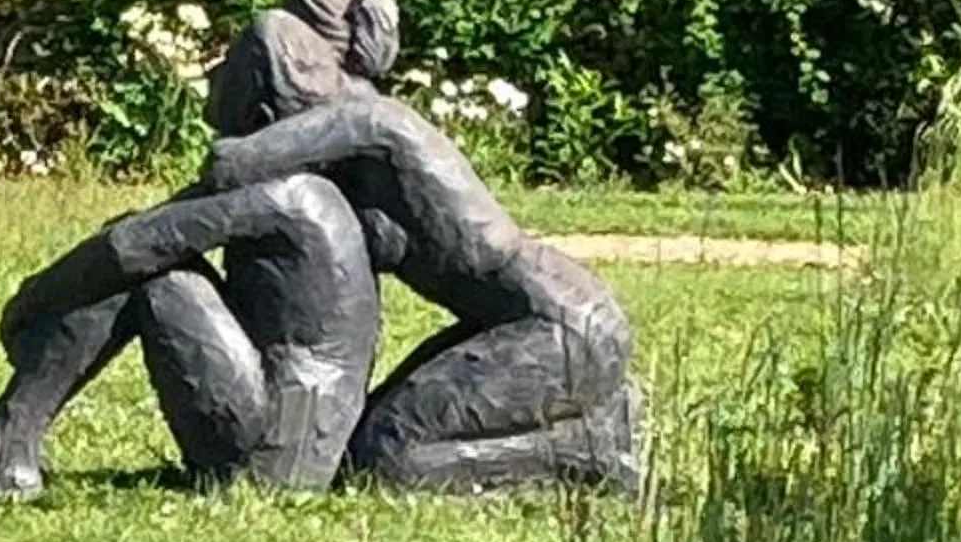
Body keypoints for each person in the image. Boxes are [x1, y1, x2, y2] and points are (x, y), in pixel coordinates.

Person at [0, 0, 399, 502]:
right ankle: (2, 453)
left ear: (262, 118)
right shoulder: (298, 188)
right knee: (146, 253)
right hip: (292, 442)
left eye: (228, 76)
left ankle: (2, 457)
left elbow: (131, 247)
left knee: (151, 273)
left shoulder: (292, 197)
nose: (213, 82)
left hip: (276, 455)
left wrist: (34, 301)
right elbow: (150, 225)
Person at [194, 46, 641, 496]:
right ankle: (588, 429)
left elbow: (230, 165)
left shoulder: (375, 124)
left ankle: (589, 446)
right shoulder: (362, 132)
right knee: (369, 443)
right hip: (523, 317)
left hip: (557, 325)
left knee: (390, 458)